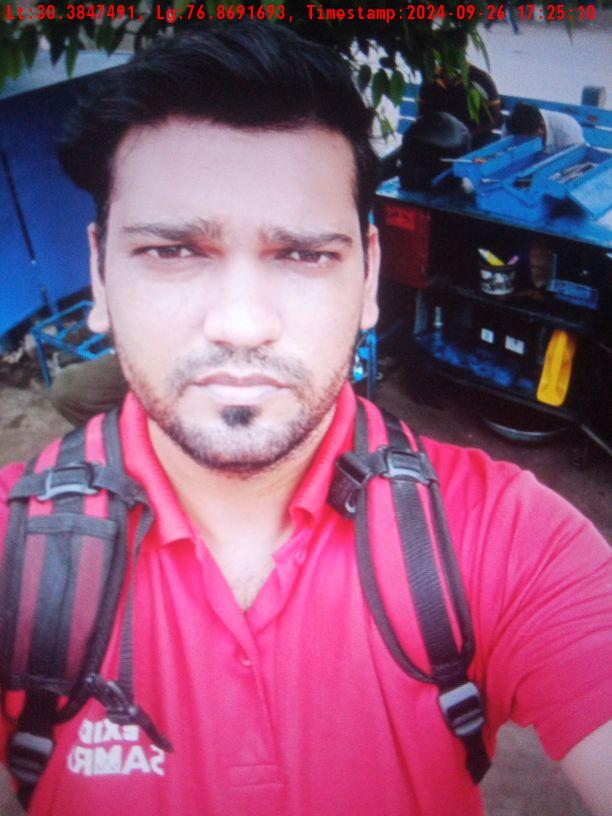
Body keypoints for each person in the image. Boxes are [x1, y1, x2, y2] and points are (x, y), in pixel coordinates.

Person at [0, 23, 611, 816]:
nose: (241, 324)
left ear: (369, 278)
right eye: (173, 251)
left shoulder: (513, 541)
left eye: (303, 255)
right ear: (99, 273)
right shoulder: (16, 559)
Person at [418, 64, 503, 149]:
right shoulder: (431, 77)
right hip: (438, 141)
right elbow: (423, 112)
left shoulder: (479, 77)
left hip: (473, 142)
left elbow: (494, 118)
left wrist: (465, 135)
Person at [505, 101, 585, 153]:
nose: (525, 142)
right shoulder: (511, 125)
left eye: (530, 138)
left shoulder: (567, 130)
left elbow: (577, 158)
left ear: (541, 128)